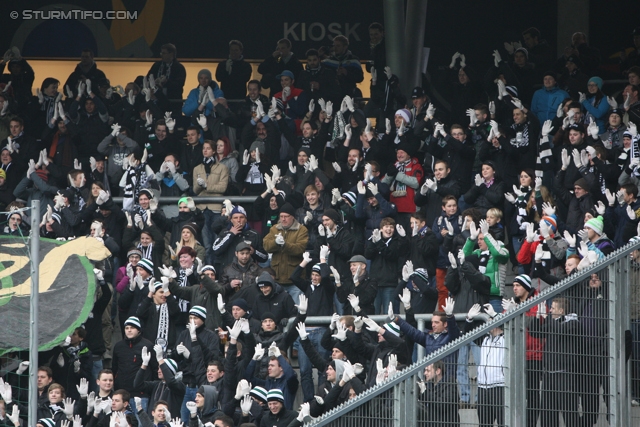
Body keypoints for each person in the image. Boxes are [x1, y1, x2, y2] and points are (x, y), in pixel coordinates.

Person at [263, 203, 309, 303]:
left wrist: (285, 245)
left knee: (298, 310)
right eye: (281, 216)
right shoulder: (274, 229)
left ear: (292, 217)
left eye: (286, 216)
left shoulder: (301, 230)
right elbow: (266, 245)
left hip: (295, 280)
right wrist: (275, 243)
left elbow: (299, 249)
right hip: (277, 279)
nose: (283, 219)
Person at [112, 317, 156, 413]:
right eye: (127, 328)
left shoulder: (148, 346)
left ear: (139, 330)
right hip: (122, 394)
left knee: (141, 422)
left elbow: (155, 369)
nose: (129, 330)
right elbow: (114, 369)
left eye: (132, 328)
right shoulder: (118, 346)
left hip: (140, 394)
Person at [416, 361, 460, 427]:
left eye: (428, 371)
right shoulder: (430, 386)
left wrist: (425, 392)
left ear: (438, 371)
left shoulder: (450, 384)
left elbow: (443, 405)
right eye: (425, 371)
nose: (425, 373)